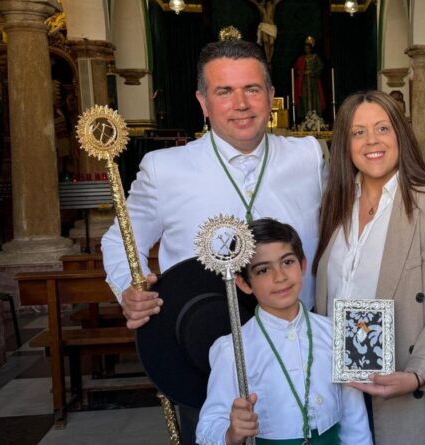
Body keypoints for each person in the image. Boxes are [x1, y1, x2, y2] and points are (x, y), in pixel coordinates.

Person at [101, 39, 325, 444]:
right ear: (203, 102)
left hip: (302, 348)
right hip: (204, 351)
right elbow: (120, 240)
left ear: (271, 96)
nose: (241, 103)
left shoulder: (308, 156)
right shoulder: (165, 168)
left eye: (252, 89)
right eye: (224, 91)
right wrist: (129, 286)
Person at [313, 90, 425, 444]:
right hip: (337, 387)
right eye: (358, 132)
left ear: (401, 134)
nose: (372, 141)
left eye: (383, 128)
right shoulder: (334, 205)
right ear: (345, 143)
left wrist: (418, 374)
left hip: (404, 384)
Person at [196, 218, 371, 445]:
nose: (280, 277)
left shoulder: (338, 333)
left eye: (287, 262)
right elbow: (208, 427)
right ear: (243, 283)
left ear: (303, 265)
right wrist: (231, 434)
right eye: (263, 270)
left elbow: (354, 420)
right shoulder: (233, 349)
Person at [293, 36, 325, 120]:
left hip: (313, 81)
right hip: (304, 82)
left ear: (311, 48)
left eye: (308, 48)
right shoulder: (301, 58)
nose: (307, 49)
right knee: (304, 97)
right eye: (305, 48)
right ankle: (306, 115)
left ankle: (315, 115)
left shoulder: (315, 57)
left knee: (314, 97)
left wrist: (313, 72)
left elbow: (320, 67)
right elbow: (296, 69)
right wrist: (300, 72)